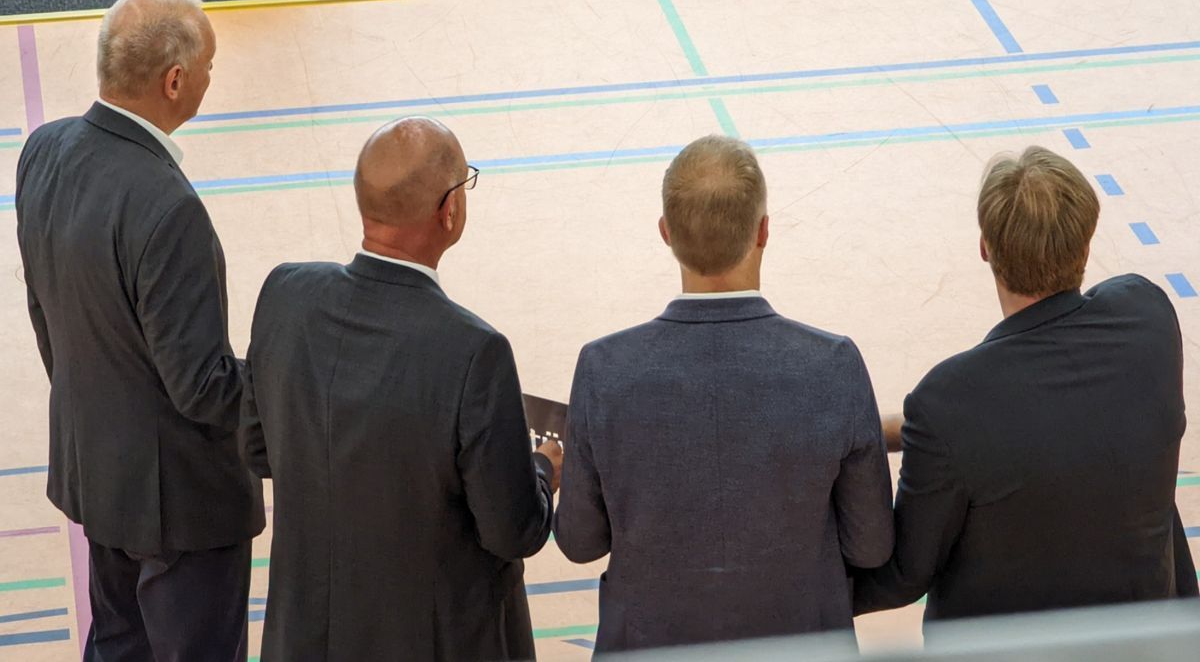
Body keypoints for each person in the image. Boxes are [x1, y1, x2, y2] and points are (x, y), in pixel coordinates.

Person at [554, 134, 894, 653]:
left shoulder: (605, 370)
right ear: (763, 231)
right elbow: (870, 547)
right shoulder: (832, 365)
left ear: (666, 233)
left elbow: (579, 542)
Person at [239, 117, 563, 660]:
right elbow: (512, 532)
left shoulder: (284, 295)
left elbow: (257, 448)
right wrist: (543, 470)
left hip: (303, 638)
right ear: (450, 210)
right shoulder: (474, 351)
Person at [15, 0, 263, 660]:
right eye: (209, 64)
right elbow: (203, 386)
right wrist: (291, 393)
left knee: (118, 645)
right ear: (175, 80)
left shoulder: (42, 152)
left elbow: (46, 314)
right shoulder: (168, 206)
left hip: (96, 469)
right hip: (182, 505)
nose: (211, 76)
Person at [854, 146, 1198, 624]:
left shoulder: (949, 401)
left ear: (985, 248)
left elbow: (904, 575)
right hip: (1151, 633)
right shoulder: (1149, 317)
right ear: (1086, 243)